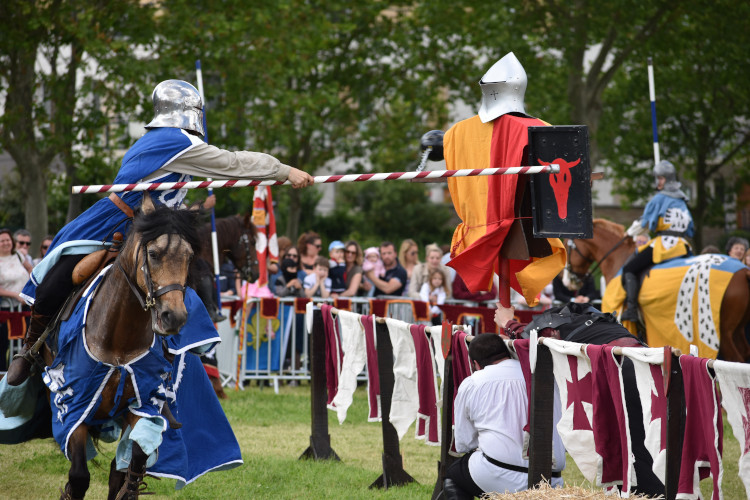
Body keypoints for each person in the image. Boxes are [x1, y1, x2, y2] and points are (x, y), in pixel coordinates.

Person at [6, 79, 314, 386]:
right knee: (57, 280)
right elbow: (232, 163)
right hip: (111, 224)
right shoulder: (173, 141)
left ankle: (188, 346)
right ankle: (30, 352)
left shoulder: (170, 142)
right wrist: (283, 171)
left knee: (192, 270)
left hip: (149, 232)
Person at [444, 333, 565, 499]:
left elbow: (464, 443)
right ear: (507, 353)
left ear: (476, 364)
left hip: (498, 474)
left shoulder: (473, 382)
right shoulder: (543, 375)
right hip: (552, 480)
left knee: (454, 475)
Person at [621, 160, 693, 322]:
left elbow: (644, 223)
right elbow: (691, 228)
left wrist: (629, 233)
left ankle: (632, 310)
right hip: (683, 245)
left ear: (667, 179)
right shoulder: (683, 201)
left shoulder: (659, 198)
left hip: (665, 244)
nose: (657, 182)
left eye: (660, 179)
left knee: (629, 269)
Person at [0, 228, 32, 371]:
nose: (6, 243)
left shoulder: (18, 255)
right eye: (2, 241)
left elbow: (32, 270)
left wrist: (29, 290)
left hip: (24, 307)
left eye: (7, 240)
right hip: (8, 309)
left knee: (26, 341)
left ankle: (25, 371)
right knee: (5, 344)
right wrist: (15, 295)